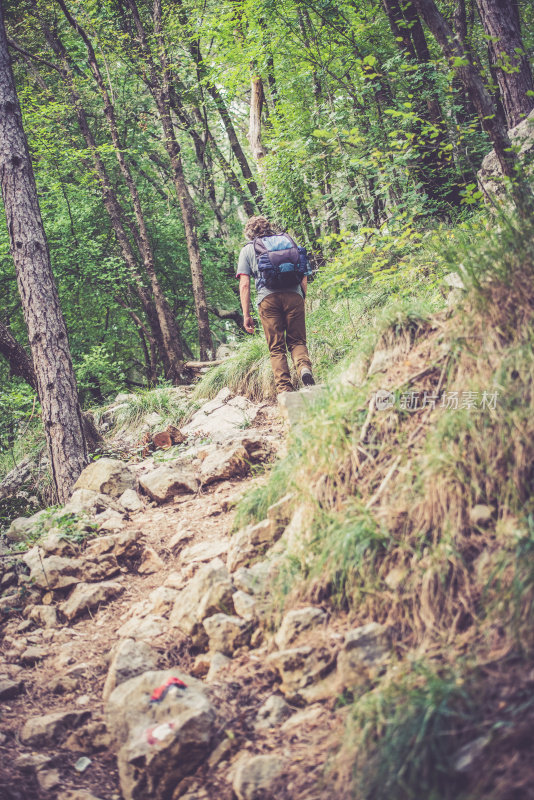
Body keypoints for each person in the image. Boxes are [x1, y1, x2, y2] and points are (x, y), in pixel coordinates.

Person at [236, 215, 315, 393]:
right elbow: (303, 273)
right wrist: (301, 296)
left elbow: (245, 284)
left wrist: (246, 314)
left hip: (267, 300)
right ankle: (304, 368)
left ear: (249, 233)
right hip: (294, 295)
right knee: (297, 340)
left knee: (276, 347)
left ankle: (284, 389)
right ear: (268, 227)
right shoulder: (287, 241)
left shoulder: (248, 250)